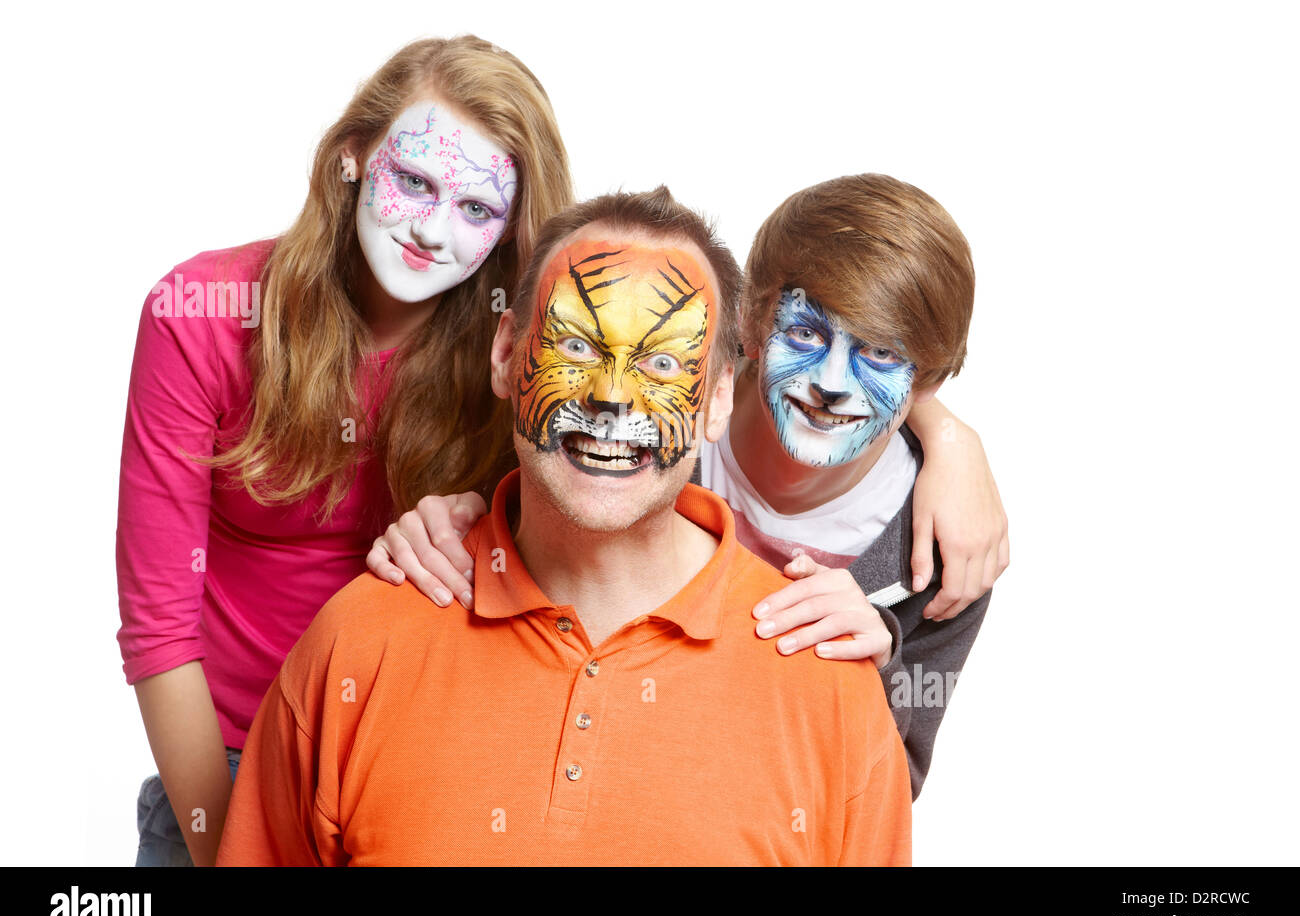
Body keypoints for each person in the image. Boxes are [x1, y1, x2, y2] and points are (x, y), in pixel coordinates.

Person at [216, 188, 912, 866]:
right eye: (576, 348)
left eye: (662, 364)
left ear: (719, 397)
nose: (611, 397)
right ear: (505, 356)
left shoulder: (829, 689)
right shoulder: (357, 645)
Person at [370, 173, 1001, 796]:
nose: (833, 381)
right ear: (750, 328)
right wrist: (450, 521)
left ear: (931, 382)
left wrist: (866, 673)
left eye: (883, 355)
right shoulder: (648, 417)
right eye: (805, 334)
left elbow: (883, 795)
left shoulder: (952, 544)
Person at [118, 35, 573, 866]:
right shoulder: (200, 315)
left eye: (476, 209)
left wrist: (901, 410)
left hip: (423, 775)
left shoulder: (519, 356)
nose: (433, 231)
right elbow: (160, 631)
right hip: (222, 773)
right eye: (415, 181)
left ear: (510, 230)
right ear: (355, 158)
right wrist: (231, 846)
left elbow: (677, 410)